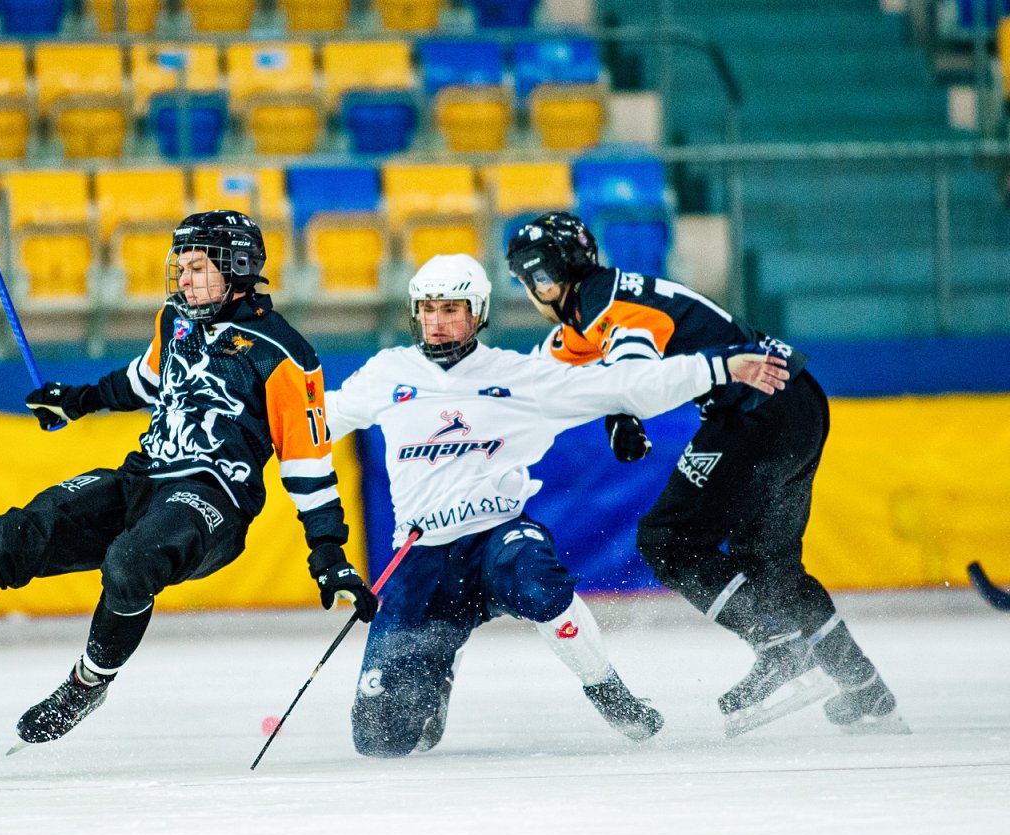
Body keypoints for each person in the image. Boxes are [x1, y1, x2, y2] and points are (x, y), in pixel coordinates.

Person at [0, 210, 376, 748]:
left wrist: (329, 553)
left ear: (238, 270)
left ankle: (88, 683)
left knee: (130, 563)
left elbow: (308, 462)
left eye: (197, 268)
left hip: (213, 501)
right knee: (4, 538)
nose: (182, 279)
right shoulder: (174, 319)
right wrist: (77, 401)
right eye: (179, 267)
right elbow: (146, 380)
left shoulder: (285, 354)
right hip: (142, 480)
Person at [325, 253, 789, 756]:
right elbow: (314, 422)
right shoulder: (386, 372)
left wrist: (717, 366)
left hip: (494, 542)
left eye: (452, 309)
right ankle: (437, 671)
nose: (437, 323)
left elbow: (621, 384)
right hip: (420, 558)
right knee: (380, 742)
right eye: (428, 309)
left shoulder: (521, 376)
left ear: (479, 311)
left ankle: (606, 689)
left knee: (537, 580)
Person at [505, 211, 907, 737]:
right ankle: (865, 690)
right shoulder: (596, 307)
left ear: (543, 277)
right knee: (770, 564)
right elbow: (545, 378)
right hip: (799, 399)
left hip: (753, 410)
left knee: (666, 539)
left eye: (524, 280)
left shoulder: (606, 309)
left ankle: (780, 652)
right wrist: (619, 410)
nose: (527, 292)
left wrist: (623, 409)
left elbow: (635, 376)